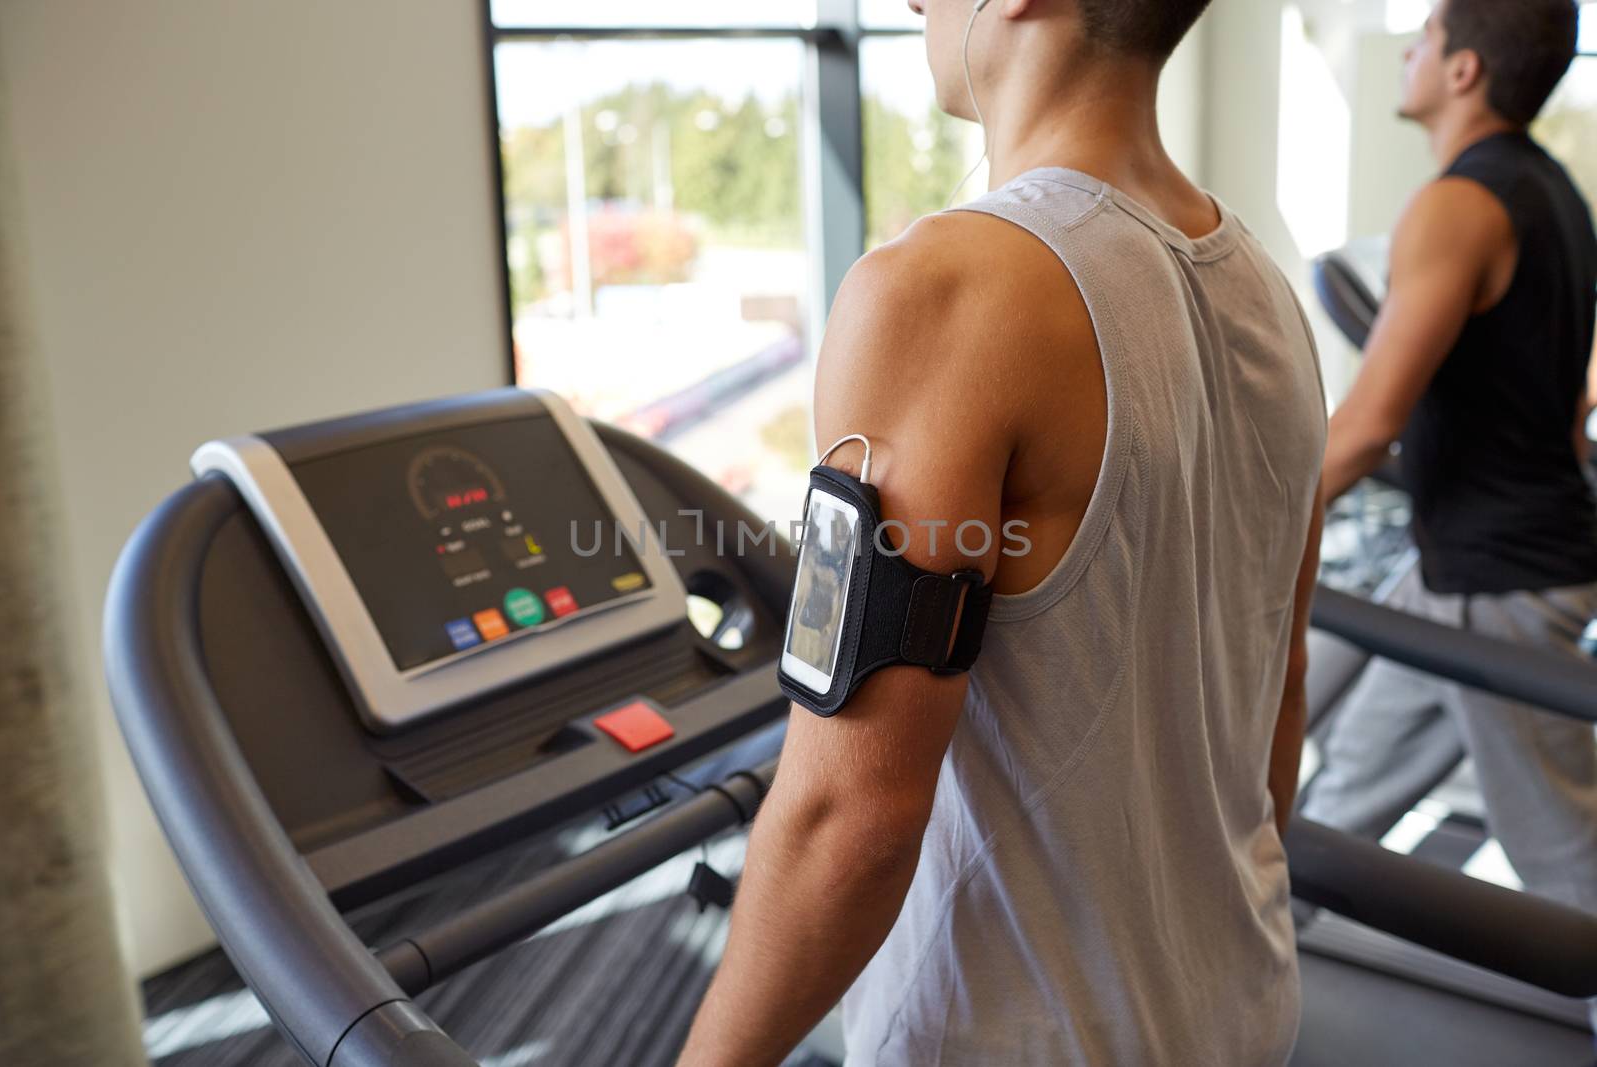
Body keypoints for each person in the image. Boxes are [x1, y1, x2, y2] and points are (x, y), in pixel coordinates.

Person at [676, 0, 1327, 1064]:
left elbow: (850, 813)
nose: (911, 3)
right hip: (1240, 1006)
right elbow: (1278, 689)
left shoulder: (942, 291)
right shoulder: (1267, 291)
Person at [1304, 0, 1597, 916]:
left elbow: (1366, 423)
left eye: (1426, 36)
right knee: (1344, 793)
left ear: (1464, 69)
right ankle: (1233, 1000)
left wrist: (1232, 531)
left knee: (1567, 861)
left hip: (1500, 585)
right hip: (1462, 570)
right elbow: (1572, 396)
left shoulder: (1455, 206)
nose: (1409, 52)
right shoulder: (1554, 194)